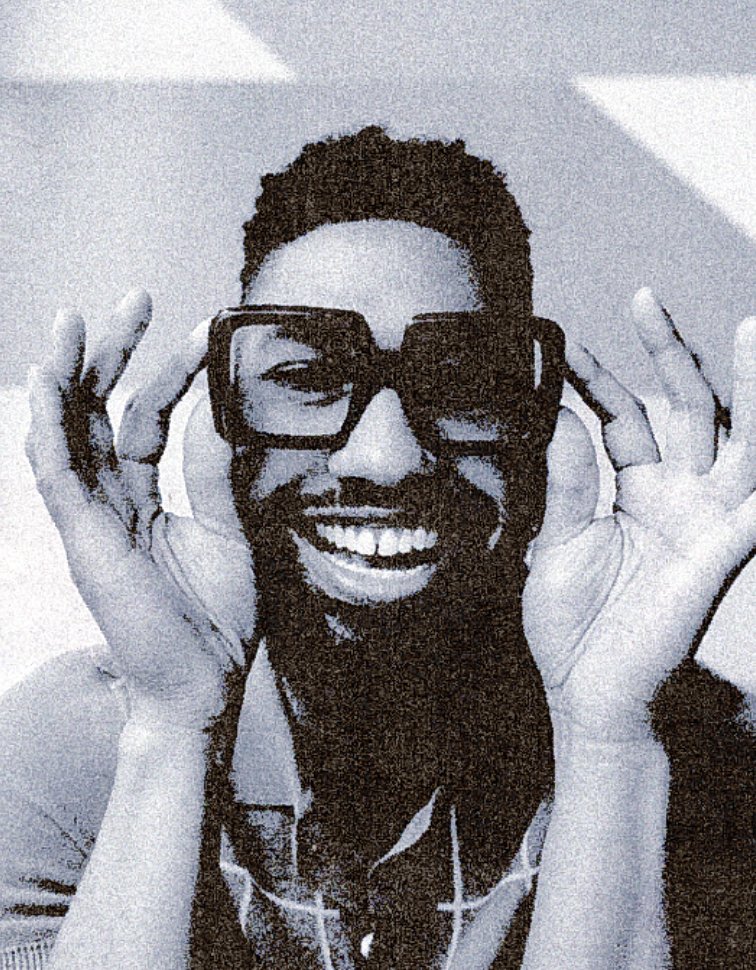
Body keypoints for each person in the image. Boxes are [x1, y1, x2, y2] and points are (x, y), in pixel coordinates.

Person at [4, 126, 756, 969]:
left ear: (540, 431)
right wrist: (174, 724)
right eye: (305, 379)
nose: (386, 459)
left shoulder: (721, 766)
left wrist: (612, 740)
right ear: (219, 420)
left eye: (462, 385)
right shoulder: (64, 754)